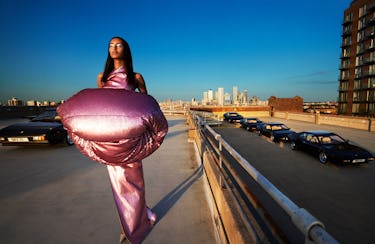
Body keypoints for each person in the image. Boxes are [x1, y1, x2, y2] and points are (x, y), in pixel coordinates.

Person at [97, 36, 156, 244]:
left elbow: (146, 104)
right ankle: (126, 226)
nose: (114, 48)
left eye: (118, 45)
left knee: (135, 184)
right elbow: (100, 109)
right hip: (112, 140)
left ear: (126, 49)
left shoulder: (136, 77)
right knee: (118, 186)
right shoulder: (102, 78)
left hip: (130, 139)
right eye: (110, 45)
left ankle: (138, 222)